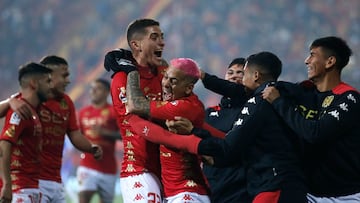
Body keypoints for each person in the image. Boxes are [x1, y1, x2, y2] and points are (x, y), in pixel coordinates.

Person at [128, 52, 309, 203]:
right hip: (218, 191)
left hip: (259, 187)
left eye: (242, 73)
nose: (237, 78)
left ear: (255, 76)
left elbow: (228, 146)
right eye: (231, 73)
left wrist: (133, 118)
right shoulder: (213, 111)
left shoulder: (258, 103)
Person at [262, 36, 360, 202]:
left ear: (330, 62)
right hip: (309, 194)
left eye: (312, 54)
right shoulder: (305, 92)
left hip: (347, 196)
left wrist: (279, 102)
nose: (307, 60)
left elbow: (315, 134)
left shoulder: (349, 99)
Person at [0, 55, 103, 203]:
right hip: (30, 180)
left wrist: (90, 147)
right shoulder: (26, 103)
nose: (68, 80)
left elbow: (74, 133)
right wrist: (11, 101)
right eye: (64, 75)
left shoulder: (66, 102)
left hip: (54, 178)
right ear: (49, 76)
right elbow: (5, 142)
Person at [126, 58, 210, 202]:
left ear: (188, 88)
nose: (165, 84)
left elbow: (135, 106)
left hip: (188, 193)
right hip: (174, 192)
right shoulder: (175, 103)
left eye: (173, 81)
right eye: (165, 77)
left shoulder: (184, 106)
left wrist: (130, 72)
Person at [104, 18, 166, 202]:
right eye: (154, 37)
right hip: (139, 170)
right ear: (136, 44)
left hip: (168, 170)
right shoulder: (121, 78)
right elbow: (135, 108)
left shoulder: (164, 71)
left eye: (162, 37)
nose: (161, 42)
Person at [0, 62, 53, 203]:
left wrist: (11, 100)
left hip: (31, 186)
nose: (50, 86)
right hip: (19, 189)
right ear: (34, 84)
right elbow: (4, 146)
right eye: (47, 81)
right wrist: (7, 184)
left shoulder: (32, 109)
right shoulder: (20, 112)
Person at [201, 58, 251, 202]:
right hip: (210, 186)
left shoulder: (252, 110)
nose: (234, 75)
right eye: (230, 72)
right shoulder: (208, 113)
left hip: (239, 189)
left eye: (240, 72)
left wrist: (203, 76)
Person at [76, 78, 120, 203]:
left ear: (106, 92)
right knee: (83, 198)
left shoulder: (113, 112)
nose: (93, 91)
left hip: (108, 167)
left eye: (98, 88)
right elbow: (77, 136)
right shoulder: (83, 113)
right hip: (87, 165)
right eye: (92, 88)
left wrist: (105, 133)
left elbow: (124, 135)